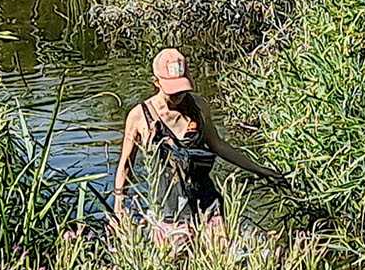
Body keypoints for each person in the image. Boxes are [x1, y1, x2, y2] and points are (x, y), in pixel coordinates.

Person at [110, 47, 285, 244]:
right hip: (167, 209)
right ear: (156, 82)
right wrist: (119, 203)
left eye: (181, 89)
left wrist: (259, 169)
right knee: (176, 267)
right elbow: (126, 165)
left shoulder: (200, 107)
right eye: (172, 91)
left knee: (221, 258)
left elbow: (218, 145)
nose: (178, 96)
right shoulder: (140, 116)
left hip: (207, 201)